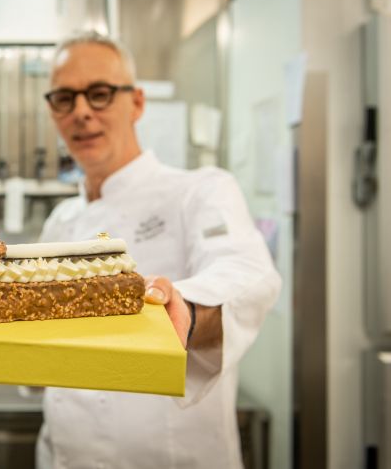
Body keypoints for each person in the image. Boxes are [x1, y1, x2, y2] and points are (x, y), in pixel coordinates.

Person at [35, 32, 282, 468]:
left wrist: (183, 308)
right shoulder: (60, 223)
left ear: (138, 103)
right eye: (64, 98)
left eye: (100, 94)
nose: (81, 113)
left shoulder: (200, 190)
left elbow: (247, 273)